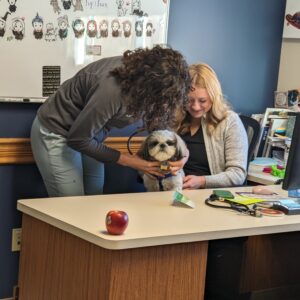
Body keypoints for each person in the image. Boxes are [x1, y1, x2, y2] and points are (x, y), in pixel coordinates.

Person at [31, 46, 191, 197]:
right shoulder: (111, 91)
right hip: (57, 131)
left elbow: (161, 127)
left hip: (90, 136)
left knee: (94, 196)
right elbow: (78, 139)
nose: (163, 104)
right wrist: (132, 161)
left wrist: (183, 157)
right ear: (149, 87)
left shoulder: (151, 87)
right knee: (72, 203)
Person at [177, 63, 248, 189]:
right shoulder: (176, 120)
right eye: (189, 100)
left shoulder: (230, 122)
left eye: (202, 101)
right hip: (175, 193)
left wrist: (202, 181)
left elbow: (237, 174)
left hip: (210, 196)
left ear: (214, 96)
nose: (195, 107)